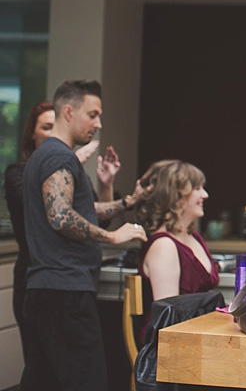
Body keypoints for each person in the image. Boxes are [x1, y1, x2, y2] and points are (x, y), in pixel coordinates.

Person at [20, 79, 148, 391]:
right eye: (92, 115)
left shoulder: (48, 156)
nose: (98, 123)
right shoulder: (60, 157)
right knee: (87, 382)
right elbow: (61, 216)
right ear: (67, 112)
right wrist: (112, 238)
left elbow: (81, 208)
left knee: (43, 383)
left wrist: (127, 202)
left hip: (46, 290)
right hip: (65, 293)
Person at [3, 101, 124, 377]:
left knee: (44, 377)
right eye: (46, 127)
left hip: (65, 285)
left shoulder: (67, 168)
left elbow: (94, 217)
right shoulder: (22, 172)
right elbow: (54, 212)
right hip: (43, 282)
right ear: (32, 135)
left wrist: (108, 187)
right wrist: (113, 238)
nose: (51, 134)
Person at [136, 159, 219, 302]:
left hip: (204, 323)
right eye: (197, 188)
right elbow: (168, 312)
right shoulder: (164, 245)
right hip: (178, 324)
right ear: (177, 196)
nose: (205, 195)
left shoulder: (194, 237)